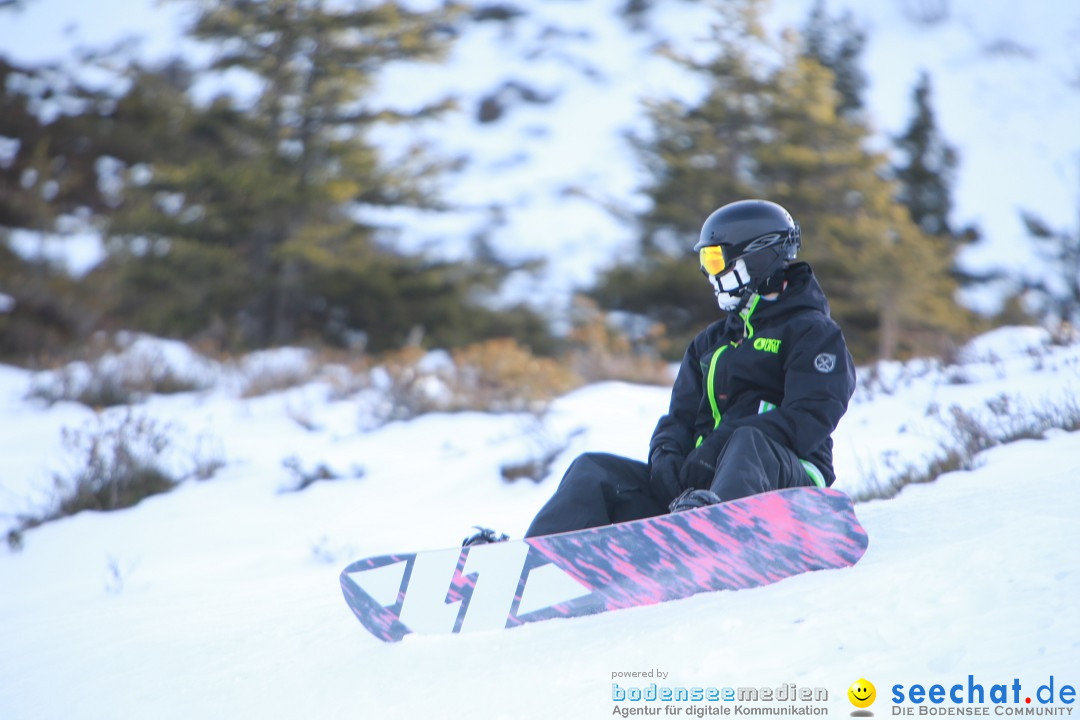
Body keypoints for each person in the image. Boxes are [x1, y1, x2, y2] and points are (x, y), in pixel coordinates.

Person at [465, 199, 856, 545]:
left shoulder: (811, 333)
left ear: (756, 257)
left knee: (748, 441)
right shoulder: (710, 343)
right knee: (594, 470)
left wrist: (721, 446)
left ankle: (716, 538)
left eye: (715, 260)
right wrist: (666, 457)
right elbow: (678, 418)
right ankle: (534, 560)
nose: (709, 274)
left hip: (789, 482)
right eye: (706, 262)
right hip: (701, 494)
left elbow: (812, 415)